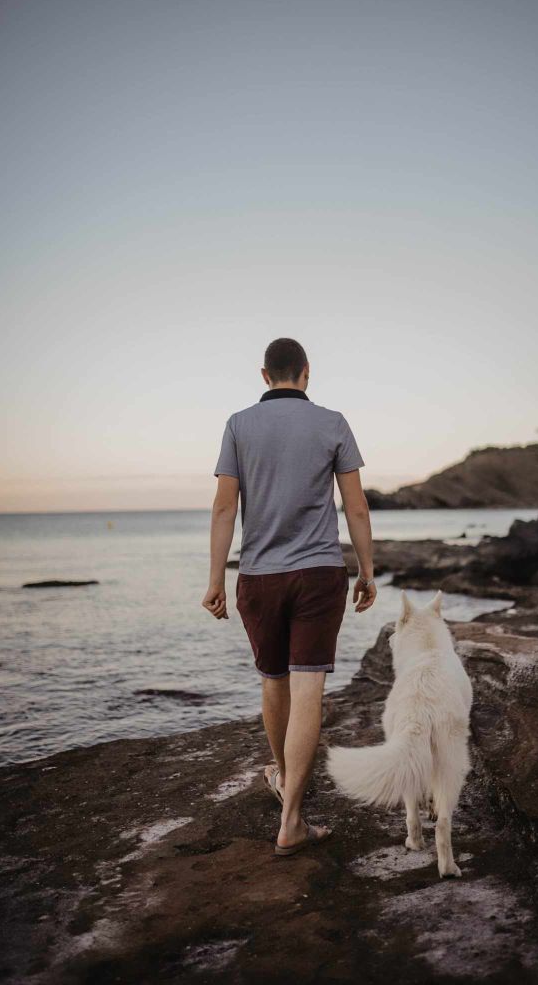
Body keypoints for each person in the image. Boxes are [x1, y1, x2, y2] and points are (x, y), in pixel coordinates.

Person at [202, 337, 376, 855]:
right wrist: (366, 569)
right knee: (308, 691)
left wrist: (215, 579)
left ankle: (285, 784)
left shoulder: (238, 425)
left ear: (264, 375)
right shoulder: (333, 422)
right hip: (320, 573)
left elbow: (223, 509)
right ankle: (292, 816)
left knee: (273, 683)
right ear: (306, 372)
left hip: (260, 577)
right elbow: (357, 507)